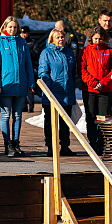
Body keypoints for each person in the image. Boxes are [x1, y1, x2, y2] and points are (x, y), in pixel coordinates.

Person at [0, 16, 35, 157]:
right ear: (5, 27)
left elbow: (28, 64)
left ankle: (16, 143)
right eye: (10, 27)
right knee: (5, 115)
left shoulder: (22, 42)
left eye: (15, 27)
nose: (13, 29)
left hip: (21, 85)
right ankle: (7, 145)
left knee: (18, 115)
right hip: (6, 84)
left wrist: (30, 83)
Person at [81, 25, 112, 154]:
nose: (98, 41)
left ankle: (102, 144)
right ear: (91, 39)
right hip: (90, 89)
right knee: (91, 117)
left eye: (100, 39)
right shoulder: (85, 51)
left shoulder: (110, 51)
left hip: (106, 89)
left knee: (103, 118)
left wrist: (103, 82)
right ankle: (92, 143)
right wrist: (93, 83)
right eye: (95, 39)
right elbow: (82, 69)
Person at [38, 29, 76, 157]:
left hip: (67, 93)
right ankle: (51, 146)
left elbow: (73, 72)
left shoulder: (69, 52)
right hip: (52, 94)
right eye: (58, 37)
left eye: (62, 37)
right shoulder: (46, 53)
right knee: (50, 122)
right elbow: (43, 73)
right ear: (52, 39)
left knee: (65, 122)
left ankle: (65, 146)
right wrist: (49, 89)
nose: (61, 39)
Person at [20, 25, 39, 112]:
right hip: (21, 68)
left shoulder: (33, 43)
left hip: (30, 67)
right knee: (21, 87)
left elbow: (36, 54)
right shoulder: (18, 43)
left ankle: (31, 107)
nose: (23, 35)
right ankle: (23, 106)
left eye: (25, 33)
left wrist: (27, 51)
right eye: (22, 33)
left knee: (30, 87)